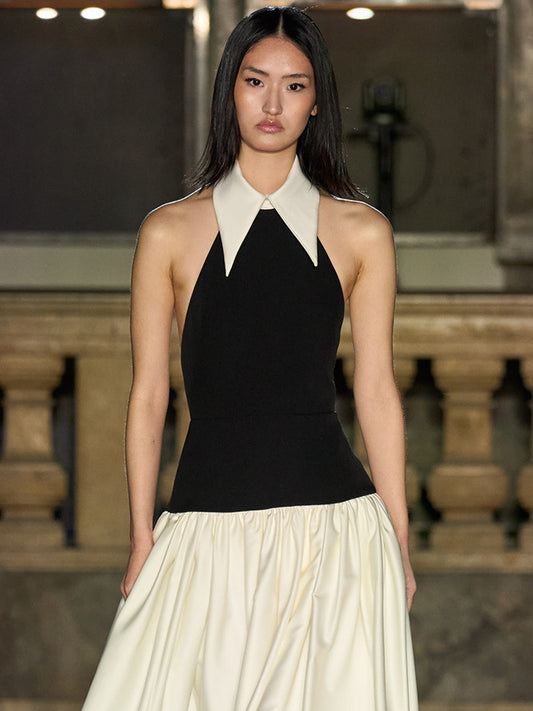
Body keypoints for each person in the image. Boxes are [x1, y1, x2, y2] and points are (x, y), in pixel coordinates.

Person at [81, 5, 418, 710]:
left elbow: (376, 390)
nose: (272, 105)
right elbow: (149, 394)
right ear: (228, 89)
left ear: (317, 101)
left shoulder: (361, 232)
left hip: (335, 534)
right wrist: (140, 536)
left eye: (294, 86)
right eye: (255, 81)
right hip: (205, 527)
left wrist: (399, 539)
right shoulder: (168, 232)